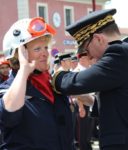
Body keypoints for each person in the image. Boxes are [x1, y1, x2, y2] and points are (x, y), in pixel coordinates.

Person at [52, 8, 128, 150]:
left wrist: (58, 74)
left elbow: (74, 83)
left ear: (98, 39)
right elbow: (124, 101)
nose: (89, 56)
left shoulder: (119, 53)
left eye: (86, 50)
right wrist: (91, 100)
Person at [0, 17, 74, 150]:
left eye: (46, 47)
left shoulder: (53, 86)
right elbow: (9, 117)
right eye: (37, 49)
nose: (45, 53)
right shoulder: (7, 89)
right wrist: (24, 69)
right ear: (18, 54)